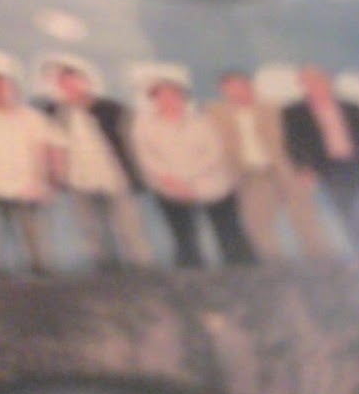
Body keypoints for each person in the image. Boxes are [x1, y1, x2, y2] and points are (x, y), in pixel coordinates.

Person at [130, 79, 255, 268]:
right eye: (161, 96)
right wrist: (173, 181)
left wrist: (189, 178)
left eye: (173, 95)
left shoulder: (202, 121)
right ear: (154, 100)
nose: (167, 100)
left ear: (182, 98)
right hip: (170, 187)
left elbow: (214, 151)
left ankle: (242, 270)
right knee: (183, 235)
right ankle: (192, 273)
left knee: (228, 231)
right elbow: (146, 157)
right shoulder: (143, 126)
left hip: (212, 184)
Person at [207, 72, 331, 259]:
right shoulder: (215, 113)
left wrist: (306, 167)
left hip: (286, 169)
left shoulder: (274, 108)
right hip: (250, 175)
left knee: (306, 219)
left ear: (250, 86)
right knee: (259, 225)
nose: (236, 92)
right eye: (230, 89)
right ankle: (276, 265)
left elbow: (295, 138)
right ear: (223, 91)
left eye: (240, 87)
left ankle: (324, 261)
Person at [44, 62, 153, 270]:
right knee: (92, 230)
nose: (69, 88)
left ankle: (144, 269)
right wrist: (56, 177)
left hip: (114, 177)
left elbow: (134, 143)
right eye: (63, 84)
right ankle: (106, 271)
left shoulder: (112, 109)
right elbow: (53, 146)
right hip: (79, 180)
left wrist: (137, 174)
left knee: (129, 228)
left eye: (73, 82)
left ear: (86, 82)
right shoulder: (54, 112)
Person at [0, 70, 61, 275]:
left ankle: (40, 268)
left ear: (14, 90)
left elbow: (48, 147)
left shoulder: (32, 117)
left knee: (34, 236)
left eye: (2, 86)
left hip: (25, 186)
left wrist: (48, 182)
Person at [280, 66, 359, 260]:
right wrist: (303, 169)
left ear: (328, 81)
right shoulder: (294, 112)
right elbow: (292, 143)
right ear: (302, 86)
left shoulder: (352, 107)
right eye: (308, 82)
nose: (315, 86)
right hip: (331, 169)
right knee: (351, 217)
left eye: (318, 80)